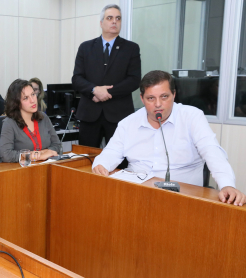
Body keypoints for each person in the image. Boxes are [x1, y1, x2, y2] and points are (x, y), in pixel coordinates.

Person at [92, 70, 246, 206]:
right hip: (137, 195)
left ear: (174, 94)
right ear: (142, 98)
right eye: (151, 98)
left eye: (164, 96)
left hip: (184, 198)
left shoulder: (191, 116)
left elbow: (212, 152)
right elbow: (111, 152)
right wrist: (101, 165)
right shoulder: (128, 123)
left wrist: (227, 185)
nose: (158, 104)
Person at [72, 4, 141, 148]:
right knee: (86, 160)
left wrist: (106, 92)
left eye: (118, 18)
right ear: (101, 23)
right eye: (109, 18)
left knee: (119, 162)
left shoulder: (131, 48)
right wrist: (94, 90)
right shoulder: (85, 47)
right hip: (90, 113)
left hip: (119, 116)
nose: (114, 21)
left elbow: (134, 80)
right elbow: (77, 79)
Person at [0, 79, 59, 163]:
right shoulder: (9, 123)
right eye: (26, 98)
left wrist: (46, 152)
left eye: (33, 94)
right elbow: (6, 155)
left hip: (45, 167)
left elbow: (57, 145)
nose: (32, 100)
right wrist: (32, 156)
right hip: (21, 171)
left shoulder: (43, 117)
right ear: (16, 103)